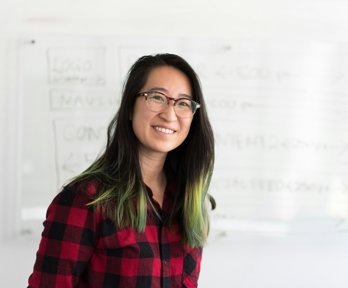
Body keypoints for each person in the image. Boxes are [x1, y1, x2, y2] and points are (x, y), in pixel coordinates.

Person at [28, 53, 215, 288]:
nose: (169, 115)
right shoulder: (86, 200)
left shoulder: (187, 200)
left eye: (183, 103)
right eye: (157, 97)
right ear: (129, 108)